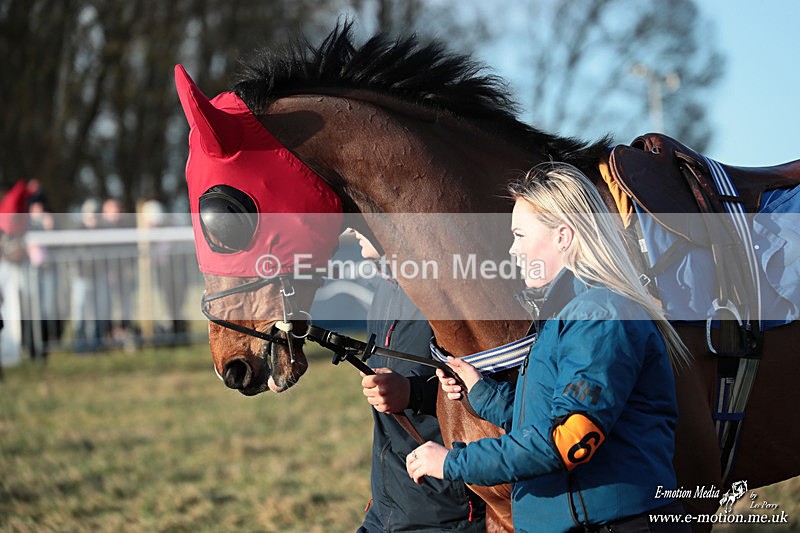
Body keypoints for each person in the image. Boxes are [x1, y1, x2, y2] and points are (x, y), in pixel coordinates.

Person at [405, 163, 691, 532]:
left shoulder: (597, 316)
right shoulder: (568, 314)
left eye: (520, 235)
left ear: (563, 237)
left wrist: (452, 463)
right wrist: (482, 392)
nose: (512, 249)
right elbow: (549, 416)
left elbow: (570, 439)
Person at [352, 228, 484, 533]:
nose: (349, 228)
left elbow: (492, 384)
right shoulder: (384, 291)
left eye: (358, 217)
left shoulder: (450, 289)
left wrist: (412, 392)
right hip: (384, 511)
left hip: (446, 514)